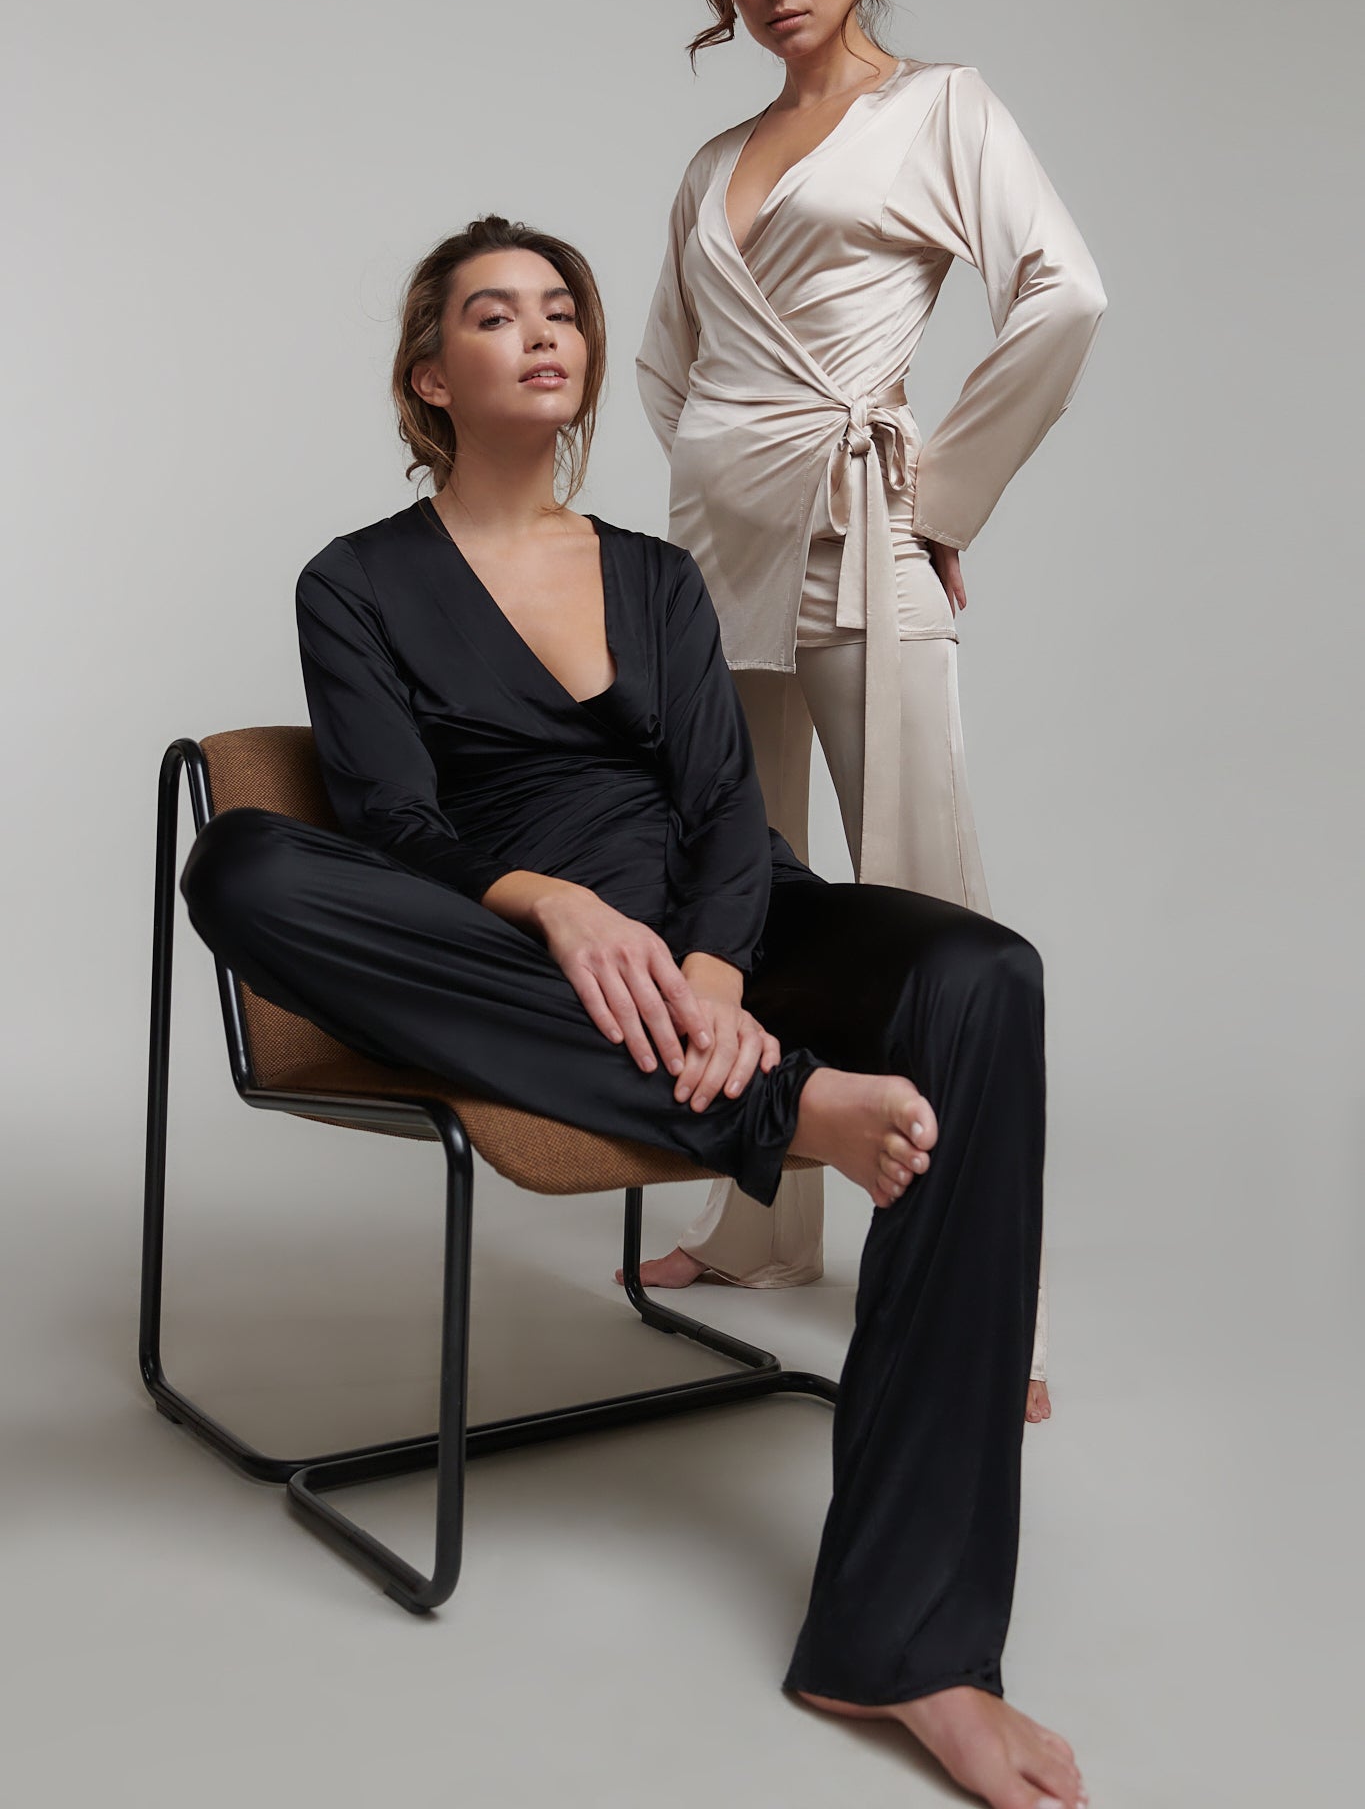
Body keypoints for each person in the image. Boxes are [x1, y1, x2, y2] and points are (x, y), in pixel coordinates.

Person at [180, 216, 1086, 1809]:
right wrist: (553, 902)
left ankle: (905, 1640)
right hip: (526, 963)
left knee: (981, 976)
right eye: (493, 314)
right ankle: (777, 1115)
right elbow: (389, 822)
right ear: (428, 376)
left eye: (563, 311)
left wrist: (718, 974)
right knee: (246, 866)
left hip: (728, 933)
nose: (542, 333)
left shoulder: (656, 576)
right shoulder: (357, 582)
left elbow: (727, 810)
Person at [635, 0, 1108, 1424]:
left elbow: (1064, 290)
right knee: (741, 893)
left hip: (857, 535)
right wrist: (721, 483)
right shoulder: (712, 162)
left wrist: (940, 499)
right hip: (717, 561)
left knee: (926, 915)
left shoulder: (938, 110)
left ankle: (986, 1308)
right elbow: (667, 365)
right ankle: (763, 1228)